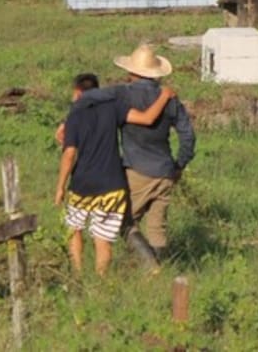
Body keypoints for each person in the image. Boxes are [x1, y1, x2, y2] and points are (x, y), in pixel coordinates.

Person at [53, 73, 175, 275]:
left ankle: (77, 274)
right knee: (103, 240)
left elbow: (69, 154)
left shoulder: (75, 113)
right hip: (112, 186)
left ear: (77, 92)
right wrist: (164, 96)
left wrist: (60, 187)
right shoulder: (113, 107)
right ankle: (101, 281)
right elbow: (147, 118)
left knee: (73, 229)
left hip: (82, 186)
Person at [95, 43, 196, 261]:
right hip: (166, 171)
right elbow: (188, 136)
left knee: (121, 219)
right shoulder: (170, 98)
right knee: (157, 228)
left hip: (137, 171)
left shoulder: (121, 95)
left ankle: (150, 266)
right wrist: (179, 165)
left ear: (131, 72)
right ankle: (159, 269)